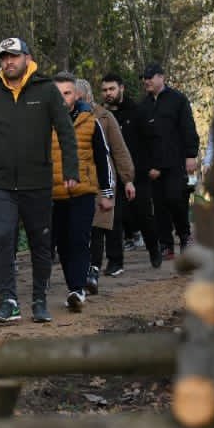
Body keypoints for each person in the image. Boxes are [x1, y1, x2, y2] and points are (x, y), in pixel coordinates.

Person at [0, 36, 77, 325]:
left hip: (37, 182)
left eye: (14, 56)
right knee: (2, 240)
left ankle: (40, 300)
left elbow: (65, 131)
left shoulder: (46, 91)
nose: (9, 62)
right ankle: (9, 301)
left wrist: (70, 170)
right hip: (0, 184)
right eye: (4, 58)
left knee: (40, 243)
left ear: (27, 58)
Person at [50, 74, 117, 312]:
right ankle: (73, 286)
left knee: (79, 239)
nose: (62, 98)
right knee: (63, 243)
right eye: (57, 94)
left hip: (83, 191)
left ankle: (77, 289)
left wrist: (107, 192)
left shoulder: (91, 121)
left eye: (67, 93)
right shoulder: (44, 122)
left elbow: (103, 157)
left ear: (75, 95)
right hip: (53, 194)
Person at [136, 63, 200, 259]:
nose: (146, 81)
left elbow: (188, 128)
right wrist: (146, 165)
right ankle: (166, 244)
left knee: (175, 199)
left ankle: (185, 235)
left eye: (150, 77)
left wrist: (191, 155)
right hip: (153, 165)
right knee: (160, 204)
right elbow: (141, 138)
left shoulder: (178, 100)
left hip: (175, 161)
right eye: (144, 78)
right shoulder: (143, 106)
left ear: (161, 77)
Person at [102, 73, 161, 270]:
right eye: (105, 90)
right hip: (112, 177)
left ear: (121, 88)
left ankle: (154, 250)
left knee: (144, 216)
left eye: (112, 89)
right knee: (114, 218)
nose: (108, 93)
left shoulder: (138, 112)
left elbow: (152, 140)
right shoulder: (102, 116)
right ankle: (115, 261)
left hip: (138, 174)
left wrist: (153, 166)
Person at [83, 77, 136, 291]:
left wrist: (127, 179)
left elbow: (119, 150)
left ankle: (103, 265)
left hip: (104, 179)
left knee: (103, 225)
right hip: (77, 181)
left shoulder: (105, 118)